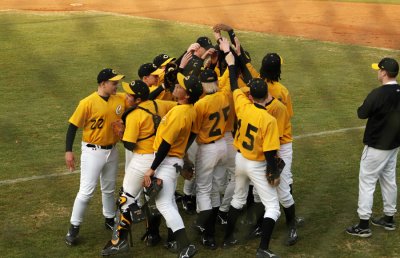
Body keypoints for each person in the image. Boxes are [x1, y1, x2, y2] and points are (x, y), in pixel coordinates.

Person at [101, 79, 177, 255]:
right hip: (162, 158)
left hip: (143, 159)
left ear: (137, 100)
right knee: (162, 200)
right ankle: (159, 236)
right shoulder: (160, 104)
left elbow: (130, 145)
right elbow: (177, 108)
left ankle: (118, 241)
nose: (126, 96)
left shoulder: (135, 115)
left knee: (126, 198)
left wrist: (120, 134)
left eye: (129, 95)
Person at [222, 38, 282, 258]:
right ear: (266, 95)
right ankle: (263, 249)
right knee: (273, 207)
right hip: (257, 164)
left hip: (240, 160)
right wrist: (272, 170)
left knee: (237, 200)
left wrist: (230, 62)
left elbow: (234, 84)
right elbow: (269, 151)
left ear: (250, 95)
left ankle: (228, 238)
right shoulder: (269, 120)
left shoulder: (242, 104)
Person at [143, 73, 204, 258]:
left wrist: (152, 169)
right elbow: (192, 134)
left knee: (164, 204)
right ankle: (177, 241)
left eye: (180, 86)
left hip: (167, 161)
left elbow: (166, 144)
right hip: (174, 160)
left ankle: (186, 246)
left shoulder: (179, 113)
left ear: (186, 95)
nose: (176, 85)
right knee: (168, 201)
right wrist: (183, 153)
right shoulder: (189, 109)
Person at [64, 68, 126, 246]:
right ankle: (73, 228)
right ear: (102, 84)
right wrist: (68, 151)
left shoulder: (119, 99)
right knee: (86, 191)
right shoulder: (87, 102)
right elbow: (72, 126)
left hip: (112, 150)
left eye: (117, 83)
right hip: (92, 152)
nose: (116, 85)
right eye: (113, 83)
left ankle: (109, 217)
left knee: (109, 187)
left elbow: (136, 100)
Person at [346, 57, 400, 237]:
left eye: (379, 70)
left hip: (376, 146)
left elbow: (362, 113)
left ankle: (363, 225)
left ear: (384, 72)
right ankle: (389, 218)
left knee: (367, 182)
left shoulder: (378, 93)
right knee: (389, 180)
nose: (378, 72)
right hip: (393, 146)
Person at [191, 66, 231, 249]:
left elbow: (195, 130)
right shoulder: (224, 96)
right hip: (223, 145)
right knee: (215, 188)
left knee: (204, 190)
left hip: (207, 149)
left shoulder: (201, 104)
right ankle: (211, 229)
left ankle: (208, 234)